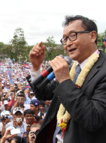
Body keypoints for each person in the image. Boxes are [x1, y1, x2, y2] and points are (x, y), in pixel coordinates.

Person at [28, 15, 106, 143]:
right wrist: (36, 66)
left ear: (92, 36)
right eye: (64, 39)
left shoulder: (103, 70)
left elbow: (93, 119)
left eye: (73, 36)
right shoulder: (72, 68)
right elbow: (42, 93)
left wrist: (65, 81)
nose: (68, 43)